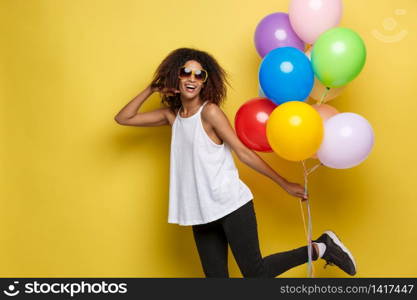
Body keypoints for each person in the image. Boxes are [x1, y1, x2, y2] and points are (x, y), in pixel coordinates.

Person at [114, 48, 356, 278]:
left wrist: (284, 183)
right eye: (185, 72)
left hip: (231, 205)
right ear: (175, 77)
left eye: (199, 75)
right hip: (200, 211)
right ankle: (322, 247)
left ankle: (321, 247)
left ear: (205, 82)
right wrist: (152, 88)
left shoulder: (209, 113)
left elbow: (243, 152)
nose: (192, 79)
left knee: (255, 275)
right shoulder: (172, 116)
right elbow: (124, 118)